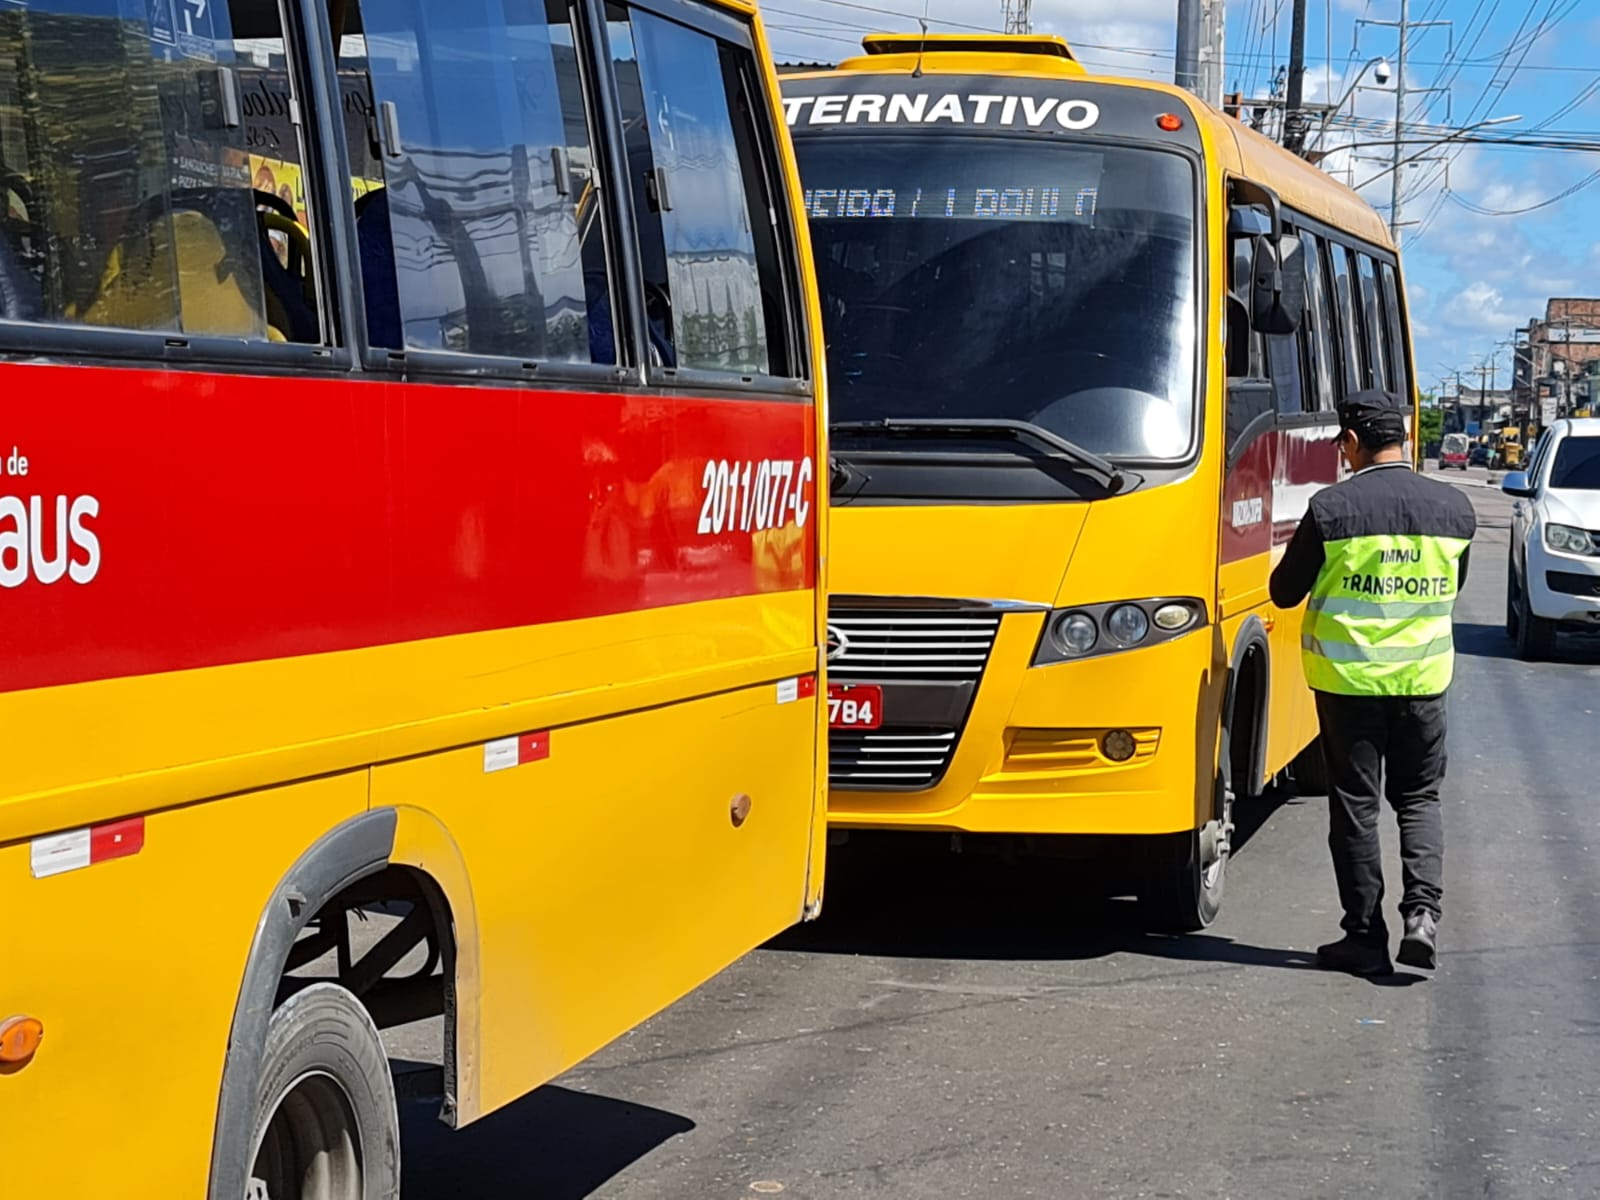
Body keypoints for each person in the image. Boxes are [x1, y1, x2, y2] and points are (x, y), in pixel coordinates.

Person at [1269, 389, 1478, 977]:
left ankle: (1364, 937)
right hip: (1423, 681)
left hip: (1349, 684)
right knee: (1419, 798)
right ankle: (1423, 916)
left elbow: (1284, 592)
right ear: (1406, 439)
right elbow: (1453, 586)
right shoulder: (1456, 509)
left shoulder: (1331, 509)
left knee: (1357, 806)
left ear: (1352, 442)